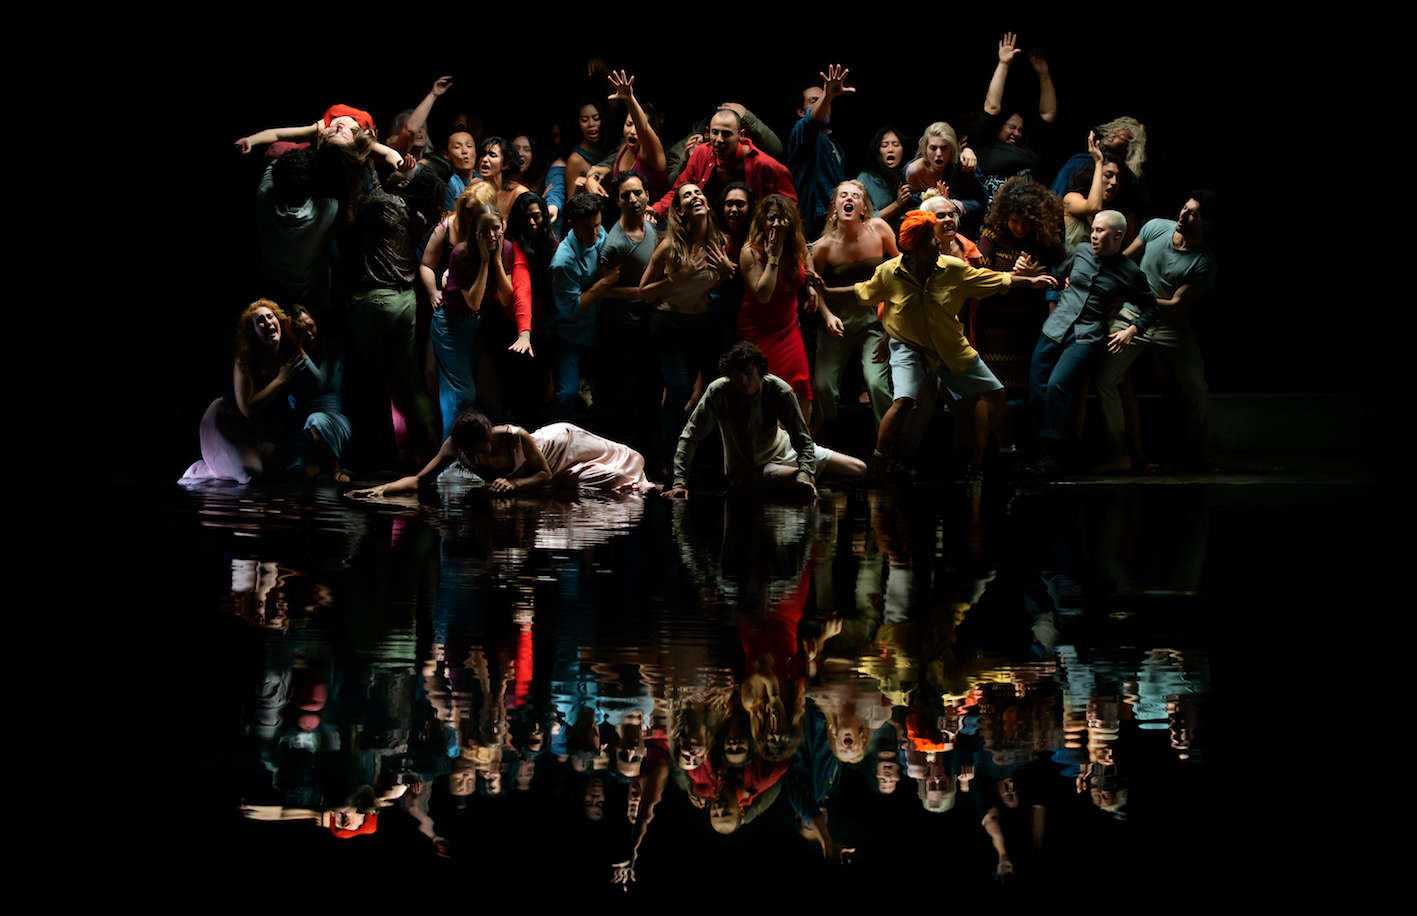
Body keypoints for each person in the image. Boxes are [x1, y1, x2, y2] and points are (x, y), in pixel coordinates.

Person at [853, 210, 1057, 476]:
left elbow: (993, 279)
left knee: (992, 394)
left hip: (949, 345)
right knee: (905, 400)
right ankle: (883, 460)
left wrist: (1030, 281)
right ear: (915, 246)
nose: (937, 241)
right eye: (930, 238)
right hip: (911, 347)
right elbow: (875, 299)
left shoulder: (953, 266)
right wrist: (825, 294)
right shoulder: (892, 272)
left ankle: (1004, 455)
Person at [1091, 193, 1219, 472]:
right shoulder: (1157, 227)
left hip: (1170, 327)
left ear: (1206, 224)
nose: (1183, 216)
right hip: (1132, 315)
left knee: (1197, 387)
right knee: (1104, 379)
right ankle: (1118, 454)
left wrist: (1130, 295)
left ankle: (1198, 456)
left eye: (1193, 214)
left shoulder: (1204, 261)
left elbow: (1174, 307)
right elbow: (1122, 260)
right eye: (1184, 208)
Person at [1027, 210, 1160, 477]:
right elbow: (1059, 274)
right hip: (1056, 327)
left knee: (1058, 386)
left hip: (1086, 336)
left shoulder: (1130, 272)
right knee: (1037, 390)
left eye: (1101, 231)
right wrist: (1039, 277)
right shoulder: (1082, 251)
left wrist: (1132, 329)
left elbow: (1151, 307)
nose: (1094, 235)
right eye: (1093, 230)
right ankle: (1066, 451)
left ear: (1118, 235)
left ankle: (1056, 457)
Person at [663, 342, 865, 500]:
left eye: (748, 373)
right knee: (802, 481)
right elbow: (689, 437)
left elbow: (802, 439)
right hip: (751, 469)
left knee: (858, 469)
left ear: (759, 370)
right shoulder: (719, 391)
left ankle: (811, 482)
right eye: (736, 374)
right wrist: (679, 483)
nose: (742, 381)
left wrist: (805, 471)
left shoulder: (778, 390)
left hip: (784, 448)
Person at [640, 183, 736, 467]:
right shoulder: (670, 246)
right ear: (680, 211)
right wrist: (678, 277)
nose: (695, 196)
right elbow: (644, 292)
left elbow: (709, 285)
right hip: (668, 319)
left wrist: (724, 272)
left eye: (698, 193)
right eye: (687, 195)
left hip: (702, 320)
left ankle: (710, 456)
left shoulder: (721, 243)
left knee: (718, 385)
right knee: (679, 386)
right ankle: (664, 457)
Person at [346, 407, 654, 496]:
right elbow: (418, 480)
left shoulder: (513, 436)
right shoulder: (455, 446)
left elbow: (543, 474)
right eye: (471, 455)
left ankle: (648, 481)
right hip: (554, 472)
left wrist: (514, 484)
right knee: (596, 481)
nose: (478, 460)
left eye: (481, 451)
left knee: (623, 460)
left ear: (490, 439)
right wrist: (379, 490)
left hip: (562, 444)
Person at [182, 300, 313, 483]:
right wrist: (281, 378)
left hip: (257, 430)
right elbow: (248, 408)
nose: (267, 322)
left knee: (277, 474)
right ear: (253, 332)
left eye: (270, 317)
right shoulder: (246, 359)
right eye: (260, 320)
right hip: (226, 421)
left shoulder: (287, 355)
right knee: (250, 474)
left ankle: (225, 462)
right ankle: (202, 470)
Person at [809, 180, 899, 438]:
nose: (849, 199)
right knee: (823, 386)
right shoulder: (824, 245)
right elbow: (815, 286)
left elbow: (901, 271)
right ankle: (831, 439)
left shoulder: (880, 229)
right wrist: (826, 315)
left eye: (856, 196)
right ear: (834, 208)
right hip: (837, 324)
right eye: (843, 196)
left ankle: (886, 447)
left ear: (863, 208)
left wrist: (891, 319)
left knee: (876, 384)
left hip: (874, 323)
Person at [596, 171, 661, 456]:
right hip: (622, 324)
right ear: (616, 200)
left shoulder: (650, 229)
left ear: (647, 196)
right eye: (626, 195)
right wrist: (641, 293)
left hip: (648, 320)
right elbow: (604, 289)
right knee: (627, 389)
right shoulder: (615, 244)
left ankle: (648, 449)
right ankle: (624, 452)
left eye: (637, 193)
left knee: (651, 386)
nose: (633, 200)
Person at [739, 194, 814, 426]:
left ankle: (802, 448)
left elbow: (807, 260)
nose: (777, 224)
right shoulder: (750, 253)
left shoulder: (796, 245)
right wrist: (773, 257)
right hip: (758, 331)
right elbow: (763, 294)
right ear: (762, 220)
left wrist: (811, 287)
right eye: (772, 218)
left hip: (787, 328)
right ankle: (773, 450)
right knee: (767, 392)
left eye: (783, 219)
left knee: (801, 388)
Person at [547, 193, 619, 421]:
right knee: (566, 393)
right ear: (571, 225)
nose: (595, 233)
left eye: (598, 225)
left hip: (595, 333)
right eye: (588, 228)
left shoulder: (598, 235)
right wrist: (604, 284)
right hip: (568, 336)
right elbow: (571, 308)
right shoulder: (564, 262)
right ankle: (552, 438)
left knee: (607, 390)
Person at [652, 108, 796, 221]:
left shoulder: (766, 165)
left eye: (726, 134)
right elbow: (678, 191)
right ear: (708, 132)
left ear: (741, 135)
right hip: (709, 228)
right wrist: (655, 210)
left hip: (753, 234)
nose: (719, 140)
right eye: (715, 133)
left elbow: (791, 208)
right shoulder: (702, 154)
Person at [969, 32, 1058, 208]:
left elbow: (1048, 114)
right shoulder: (984, 144)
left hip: (1025, 215)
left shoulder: (1025, 147)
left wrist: (1044, 74)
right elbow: (992, 107)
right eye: (1012, 127)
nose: (1016, 133)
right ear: (999, 126)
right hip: (994, 217)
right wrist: (1004, 64)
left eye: (1020, 130)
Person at [235, 103, 414, 173]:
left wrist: (251, 140)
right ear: (355, 140)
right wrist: (401, 164)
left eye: (334, 133)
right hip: (353, 157)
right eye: (343, 135)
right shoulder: (363, 137)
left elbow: (278, 133)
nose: (339, 128)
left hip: (322, 151)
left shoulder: (322, 128)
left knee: (279, 149)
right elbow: (389, 153)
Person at [785, 64, 852, 239]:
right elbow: (811, 123)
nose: (825, 103)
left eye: (826, 100)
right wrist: (828, 94)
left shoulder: (835, 147)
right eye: (815, 100)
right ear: (801, 111)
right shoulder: (801, 132)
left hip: (837, 220)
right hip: (813, 222)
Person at [584, 71, 669, 205]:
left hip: (652, 220)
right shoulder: (624, 149)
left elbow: (645, 129)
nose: (632, 131)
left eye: (637, 127)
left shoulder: (652, 154)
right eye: (629, 124)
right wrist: (590, 179)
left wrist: (629, 99)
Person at [856, 126, 910, 224]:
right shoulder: (865, 179)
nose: (890, 149)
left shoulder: (906, 176)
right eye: (884, 146)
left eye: (896, 145)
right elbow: (867, 220)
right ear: (877, 151)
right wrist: (897, 204)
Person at [477, 136, 531, 218]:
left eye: (492, 155)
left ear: (505, 164)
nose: (484, 159)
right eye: (483, 154)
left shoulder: (519, 193)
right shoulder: (474, 189)